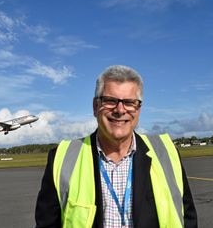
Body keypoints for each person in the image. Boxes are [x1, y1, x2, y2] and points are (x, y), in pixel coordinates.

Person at [35, 65, 198, 228]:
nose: (120, 110)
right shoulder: (62, 158)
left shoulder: (166, 154)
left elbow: (188, 219)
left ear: (139, 109)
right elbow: (46, 223)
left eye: (129, 102)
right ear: (95, 106)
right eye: (110, 101)